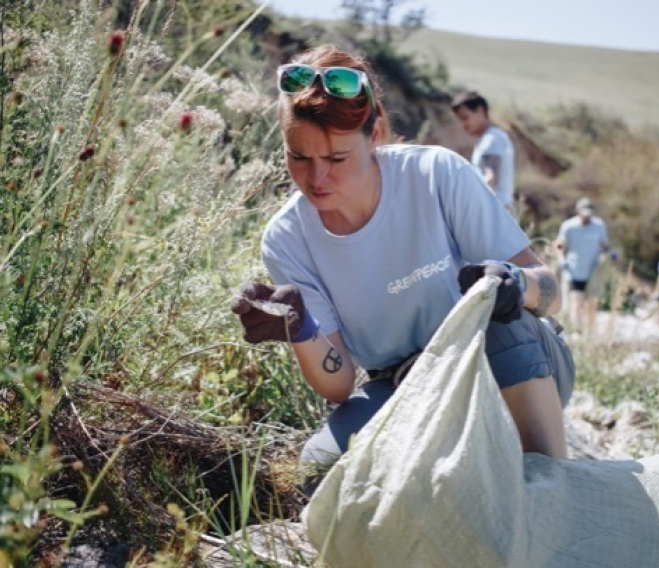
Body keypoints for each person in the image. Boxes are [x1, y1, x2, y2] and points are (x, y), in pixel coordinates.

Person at [230, 46, 574, 469]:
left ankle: (555, 481)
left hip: (508, 360)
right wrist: (301, 329)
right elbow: (338, 386)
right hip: (405, 385)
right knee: (323, 467)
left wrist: (515, 285)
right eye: (298, 157)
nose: (316, 179)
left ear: (374, 135)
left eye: (337, 158)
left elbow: (551, 293)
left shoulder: (437, 175)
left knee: (501, 322)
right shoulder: (286, 239)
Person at [451, 91, 517, 217]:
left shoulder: (491, 140)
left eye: (465, 118)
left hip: (494, 213)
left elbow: (491, 178)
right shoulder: (492, 138)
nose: (463, 125)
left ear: (480, 111)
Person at [554, 197, 609, 332]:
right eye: (584, 214)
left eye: (589, 214)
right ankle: (577, 330)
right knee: (576, 301)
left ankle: (590, 331)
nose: (587, 217)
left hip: (592, 271)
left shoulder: (599, 226)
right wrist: (561, 259)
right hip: (574, 270)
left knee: (592, 302)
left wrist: (607, 255)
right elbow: (559, 245)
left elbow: (605, 245)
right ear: (578, 212)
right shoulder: (569, 226)